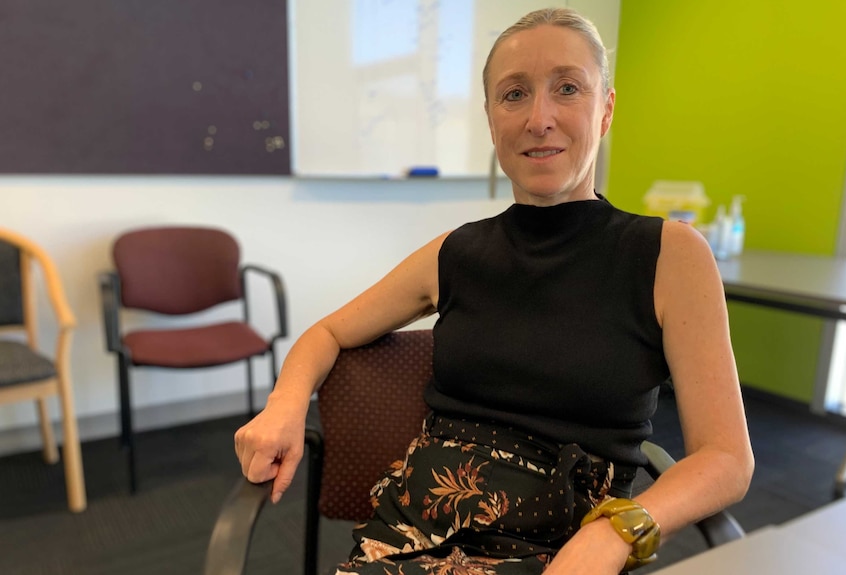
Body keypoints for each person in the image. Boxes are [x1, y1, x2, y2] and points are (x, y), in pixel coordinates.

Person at [234, 7, 754, 575]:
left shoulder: (668, 255)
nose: (540, 118)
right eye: (514, 94)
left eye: (567, 88)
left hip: (566, 548)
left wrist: (619, 531)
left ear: (605, 109)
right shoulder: (455, 253)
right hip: (412, 538)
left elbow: (726, 458)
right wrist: (284, 406)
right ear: (490, 120)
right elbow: (329, 330)